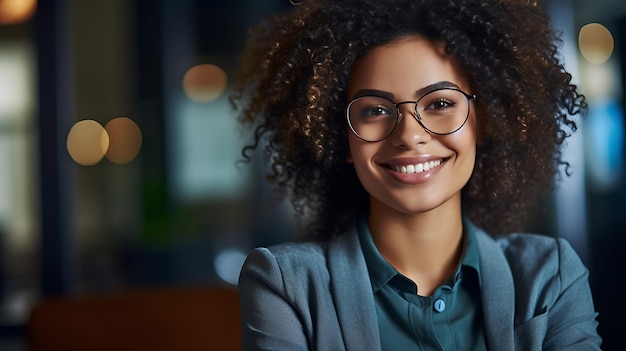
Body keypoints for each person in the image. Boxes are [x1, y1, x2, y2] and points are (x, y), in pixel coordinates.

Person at [230, 0, 602, 349]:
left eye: (440, 103)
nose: (409, 135)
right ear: (340, 138)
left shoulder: (550, 276)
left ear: (483, 119)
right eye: (374, 111)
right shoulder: (285, 284)